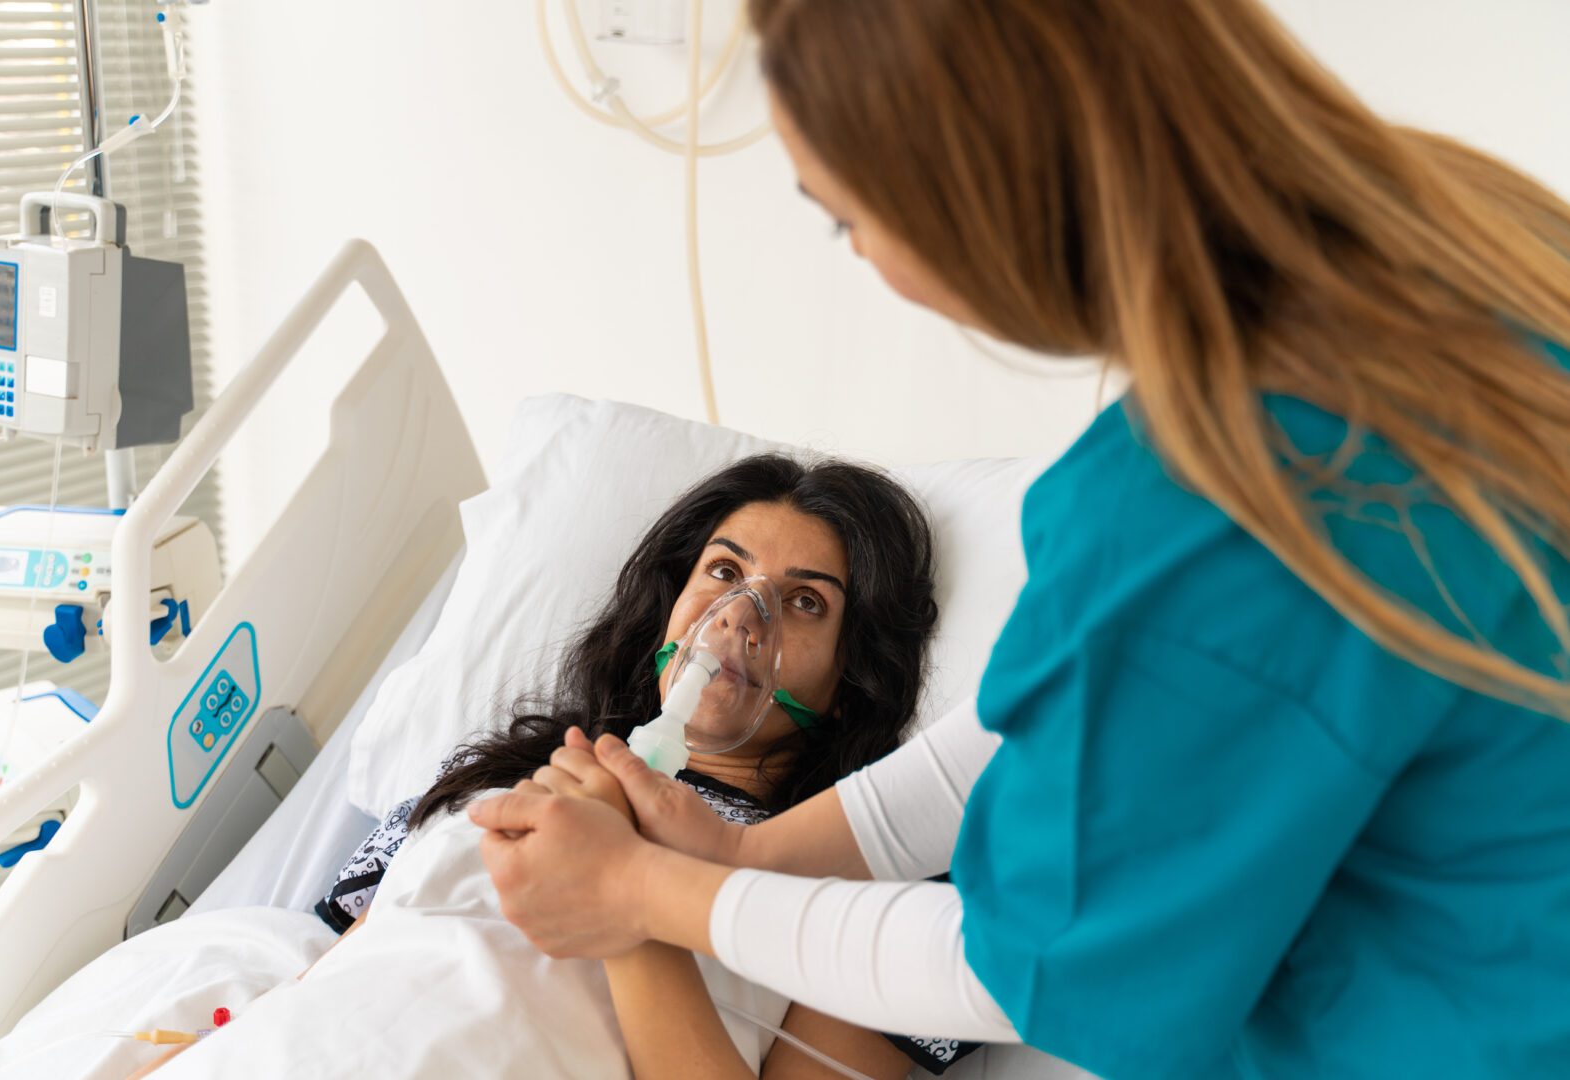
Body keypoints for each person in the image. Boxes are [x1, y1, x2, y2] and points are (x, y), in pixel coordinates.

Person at [470, 1, 1570, 1077]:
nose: (858, 258)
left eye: (841, 218)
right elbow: (1031, 726)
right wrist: (747, 857)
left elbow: (1019, 964)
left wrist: (644, 903)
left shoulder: (1214, 510)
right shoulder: (1451, 228)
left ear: (965, 202)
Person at [113, 453, 947, 1080]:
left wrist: (625, 898)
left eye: (804, 602)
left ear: (850, 679)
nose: (739, 617)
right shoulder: (501, 775)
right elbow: (340, 975)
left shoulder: (861, 890)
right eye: (724, 572)